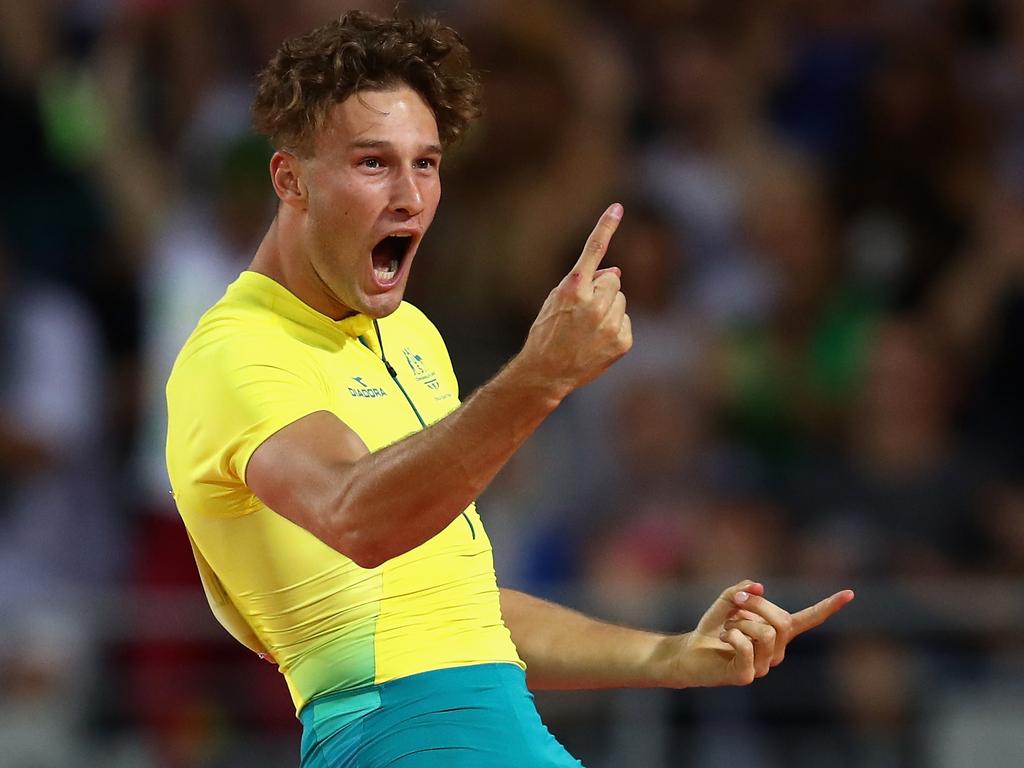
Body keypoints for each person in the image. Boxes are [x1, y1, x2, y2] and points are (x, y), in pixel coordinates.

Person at [165, 11, 854, 767]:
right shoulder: (234, 352)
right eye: (372, 163)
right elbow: (355, 517)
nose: (409, 196)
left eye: (425, 164)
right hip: (401, 740)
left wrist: (672, 655)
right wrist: (543, 375)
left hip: (498, 730)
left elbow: (465, 614)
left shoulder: (412, 334)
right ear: (289, 179)